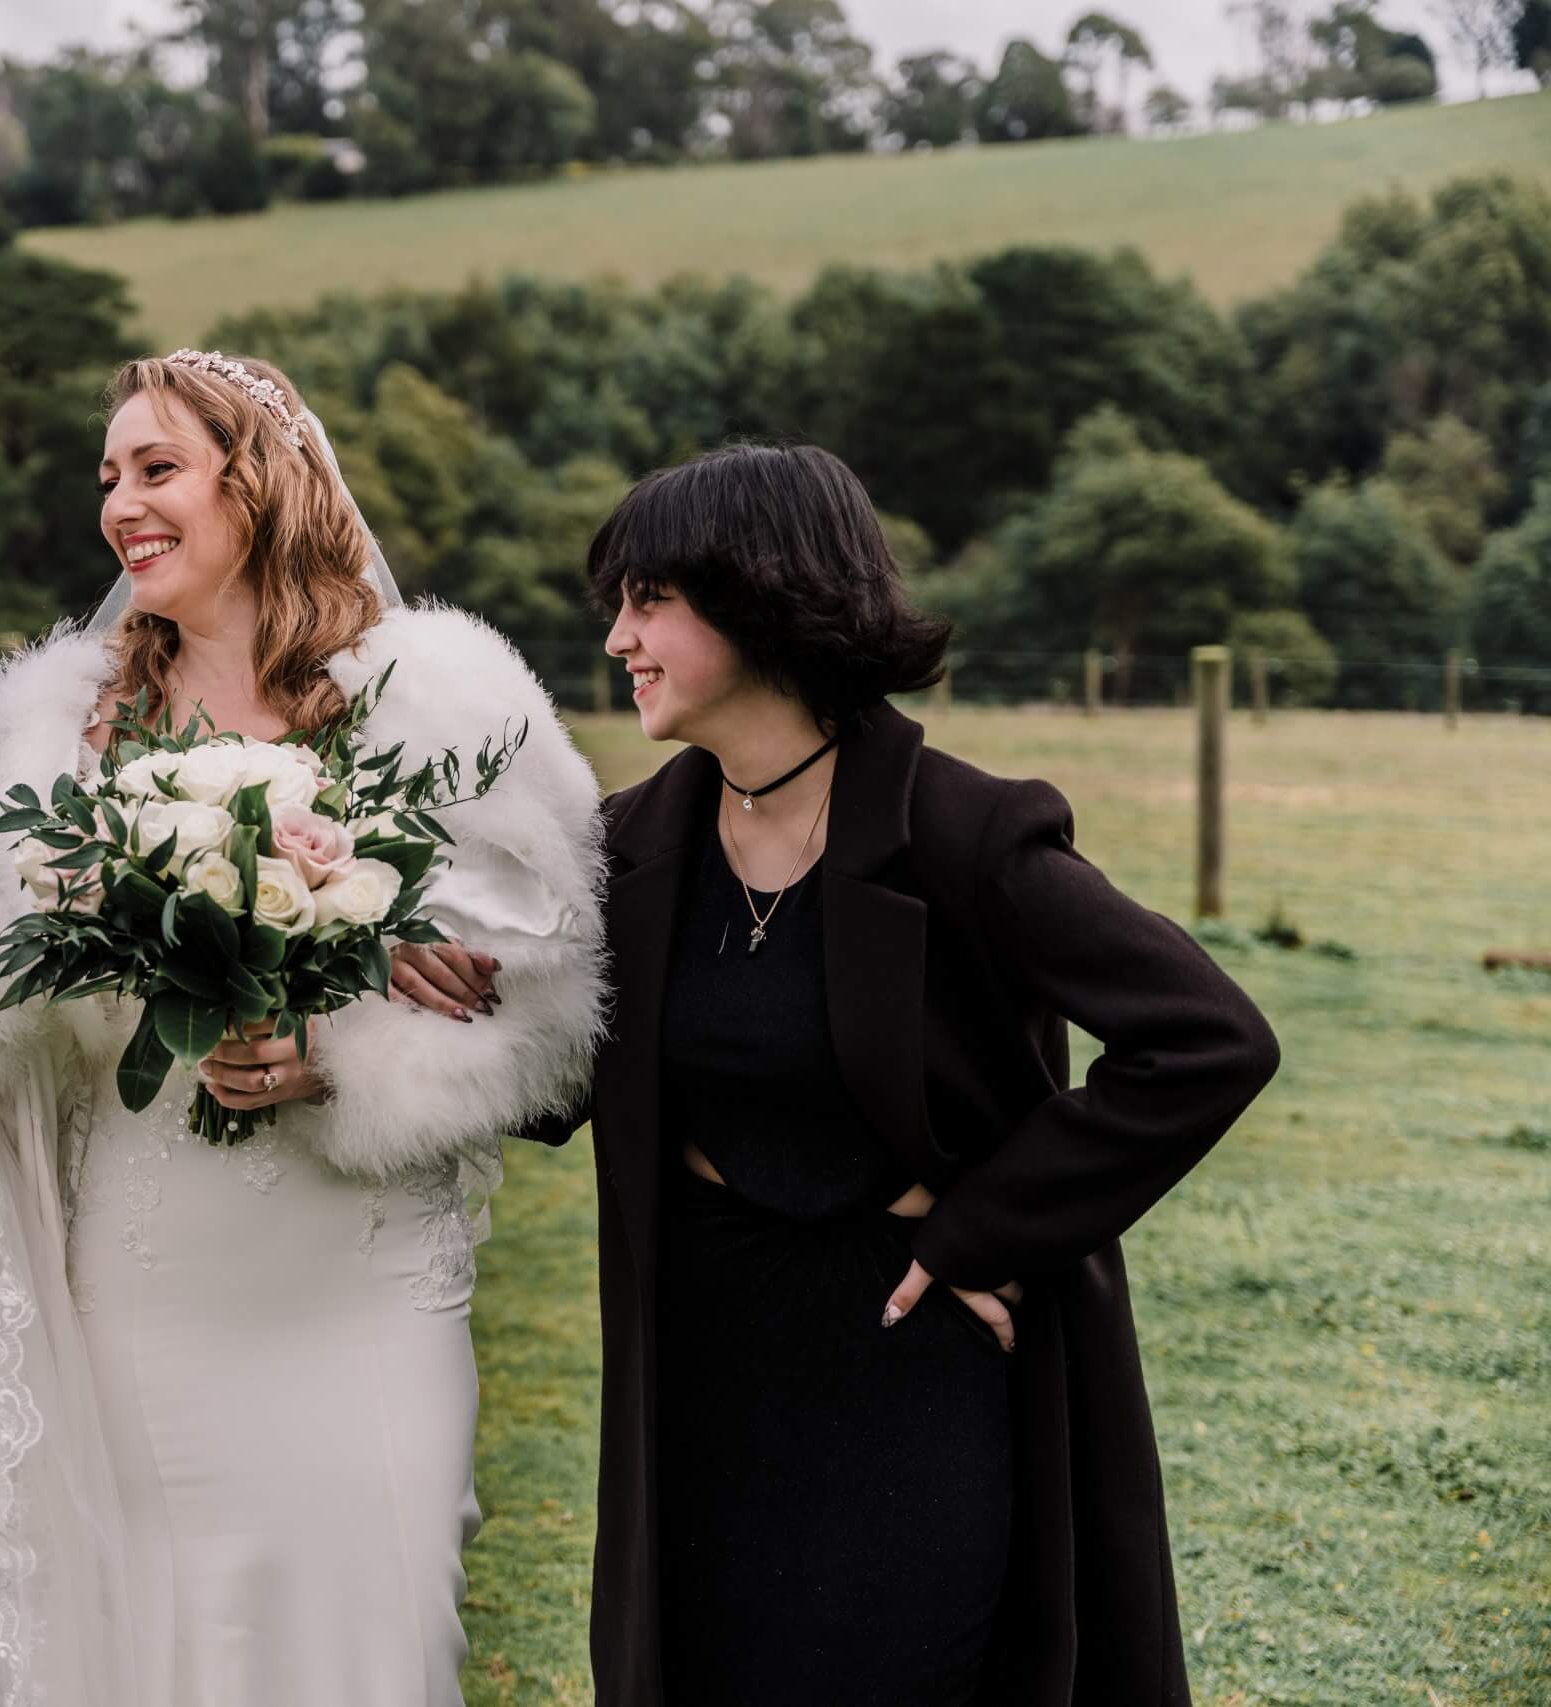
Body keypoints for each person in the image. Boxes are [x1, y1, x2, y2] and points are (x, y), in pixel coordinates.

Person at [0, 350, 608, 1706]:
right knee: (165, 1641)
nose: (121, 504)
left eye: (158, 467)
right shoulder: (65, 725)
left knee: (376, 1619)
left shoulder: (434, 698)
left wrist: (341, 1058)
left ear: (257, 481)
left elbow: (548, 1001)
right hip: (148, 1267)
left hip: (353, 1271)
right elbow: (50, 988)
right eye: (109, 476)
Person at [540, 443, 1281, 1706]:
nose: (617, 638)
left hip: (915, 1351)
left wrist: (987, 1229)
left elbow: (1207, 1038)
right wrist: (365, 1015)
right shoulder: (630, 845)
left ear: (760, 596)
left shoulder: (965, 834)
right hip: (707, 1365)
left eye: (648, 600)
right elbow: (548, 1078)